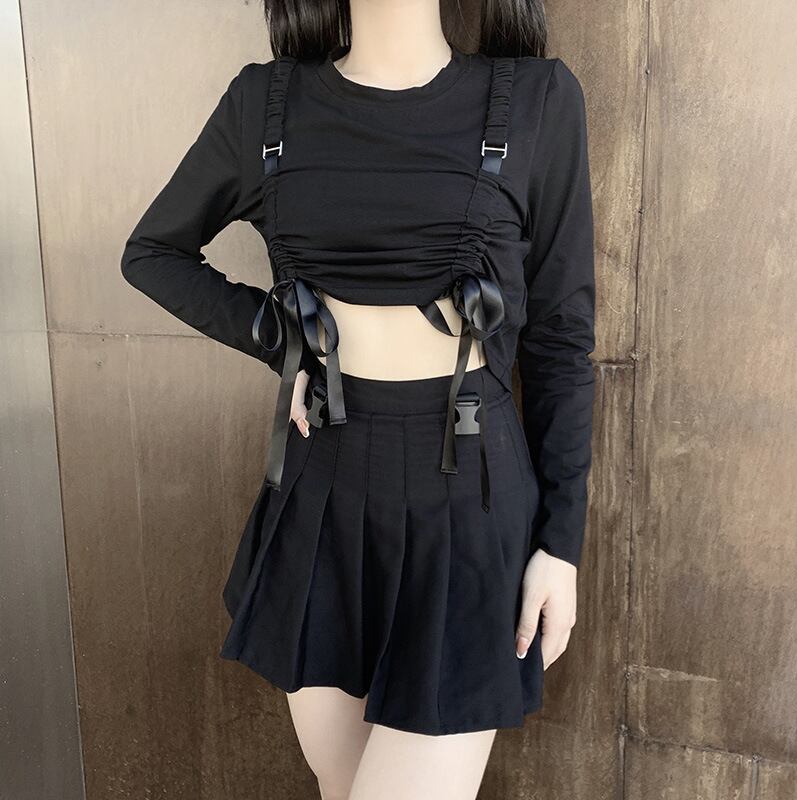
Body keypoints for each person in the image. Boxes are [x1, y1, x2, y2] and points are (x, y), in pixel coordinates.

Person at [120, 0, 595, 797]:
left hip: (467, 506)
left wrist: (562, 543)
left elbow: (561, 341)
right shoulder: (263, 102)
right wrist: (283, 341)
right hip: (320, 498)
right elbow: (153, 252)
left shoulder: (539, 99)